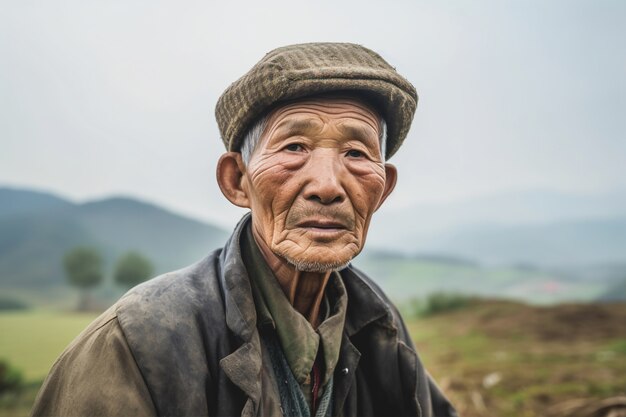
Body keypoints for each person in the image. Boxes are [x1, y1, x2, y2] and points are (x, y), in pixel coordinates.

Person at [31, 43, 458, 417]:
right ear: (237, 181)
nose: (328, 185)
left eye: (356, 152)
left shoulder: (380, 327)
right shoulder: (140, 341)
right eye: (295, 147)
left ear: (382, 191)